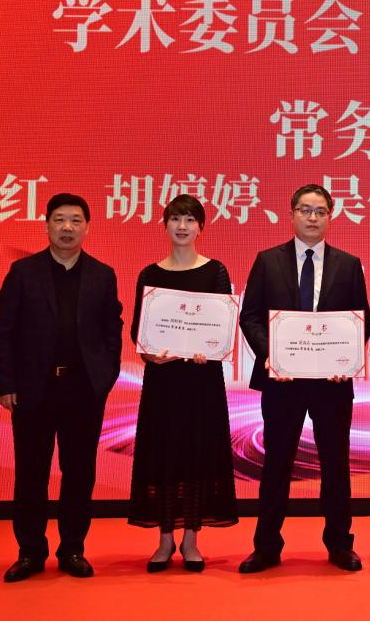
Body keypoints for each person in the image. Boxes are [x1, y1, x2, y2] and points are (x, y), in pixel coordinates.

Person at [237, 185, 370, 573]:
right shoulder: (267, 261)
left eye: (320, 211)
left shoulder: (349, 264)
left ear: (330, 216)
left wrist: (345, 358)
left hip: (331, 383)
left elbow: (359, 321)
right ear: (292, 213)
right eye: (305, 210)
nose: (312, 218)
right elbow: (250, 316)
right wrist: (272, 354)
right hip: (282, 382)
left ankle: (339, 544)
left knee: (335, 464)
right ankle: (266, 546)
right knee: (277, 463)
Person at [0, 193, 122, 582]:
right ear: (46, 224)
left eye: (76, 220)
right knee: (31, 473)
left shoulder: (102, 275)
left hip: (83, 390)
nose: (67, 227)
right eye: (60, 219)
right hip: (34, 389)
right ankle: (30, 552)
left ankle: (72, 550)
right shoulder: (23, 272)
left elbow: (111, 332)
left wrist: (104, 378)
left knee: (79, 474)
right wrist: (5, 382)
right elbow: (3, 331)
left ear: (87, 227)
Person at [127, 195, 239, 573]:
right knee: (163, 455)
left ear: (200, 227)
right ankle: (164, 540)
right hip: (163, 382)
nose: (182, 226)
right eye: (175, 219)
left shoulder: (215, 271)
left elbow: (222, 326)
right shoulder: (150, 275)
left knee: (197, 455)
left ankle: (191, 539)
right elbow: (139, 331)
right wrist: (150, 354)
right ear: (165, 225)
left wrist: (210, 348)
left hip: (201, 382)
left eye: (190, 220)